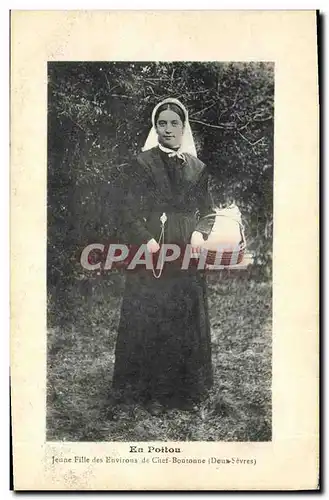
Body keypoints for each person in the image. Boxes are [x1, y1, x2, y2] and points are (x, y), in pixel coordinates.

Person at [112, 98, 216, 415]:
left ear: (184, 128)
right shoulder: (142, 164)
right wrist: (146, 239)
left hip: (185, 250)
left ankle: (185, 391)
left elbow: (209, 213)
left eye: (174, 123)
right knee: (152, 314)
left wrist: (199, 232)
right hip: (153, 249)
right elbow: (127, 211)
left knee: (184, 314)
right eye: (162, 123)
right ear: (155, 128)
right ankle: (149, 391)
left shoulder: (198, 169)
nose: (168, 129)